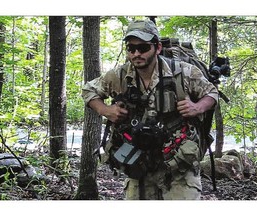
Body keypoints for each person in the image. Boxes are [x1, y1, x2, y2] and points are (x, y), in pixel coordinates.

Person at [82, 19, 219, 200]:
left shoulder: (182, 72)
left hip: (178, 162)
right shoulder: (120, 75)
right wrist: (105, 110)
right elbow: (89, 90)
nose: (136, 53)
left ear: (158, 48)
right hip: (137, 162)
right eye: (131, 48)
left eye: (144, 48)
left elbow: (211, 92)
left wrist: (196, 107)